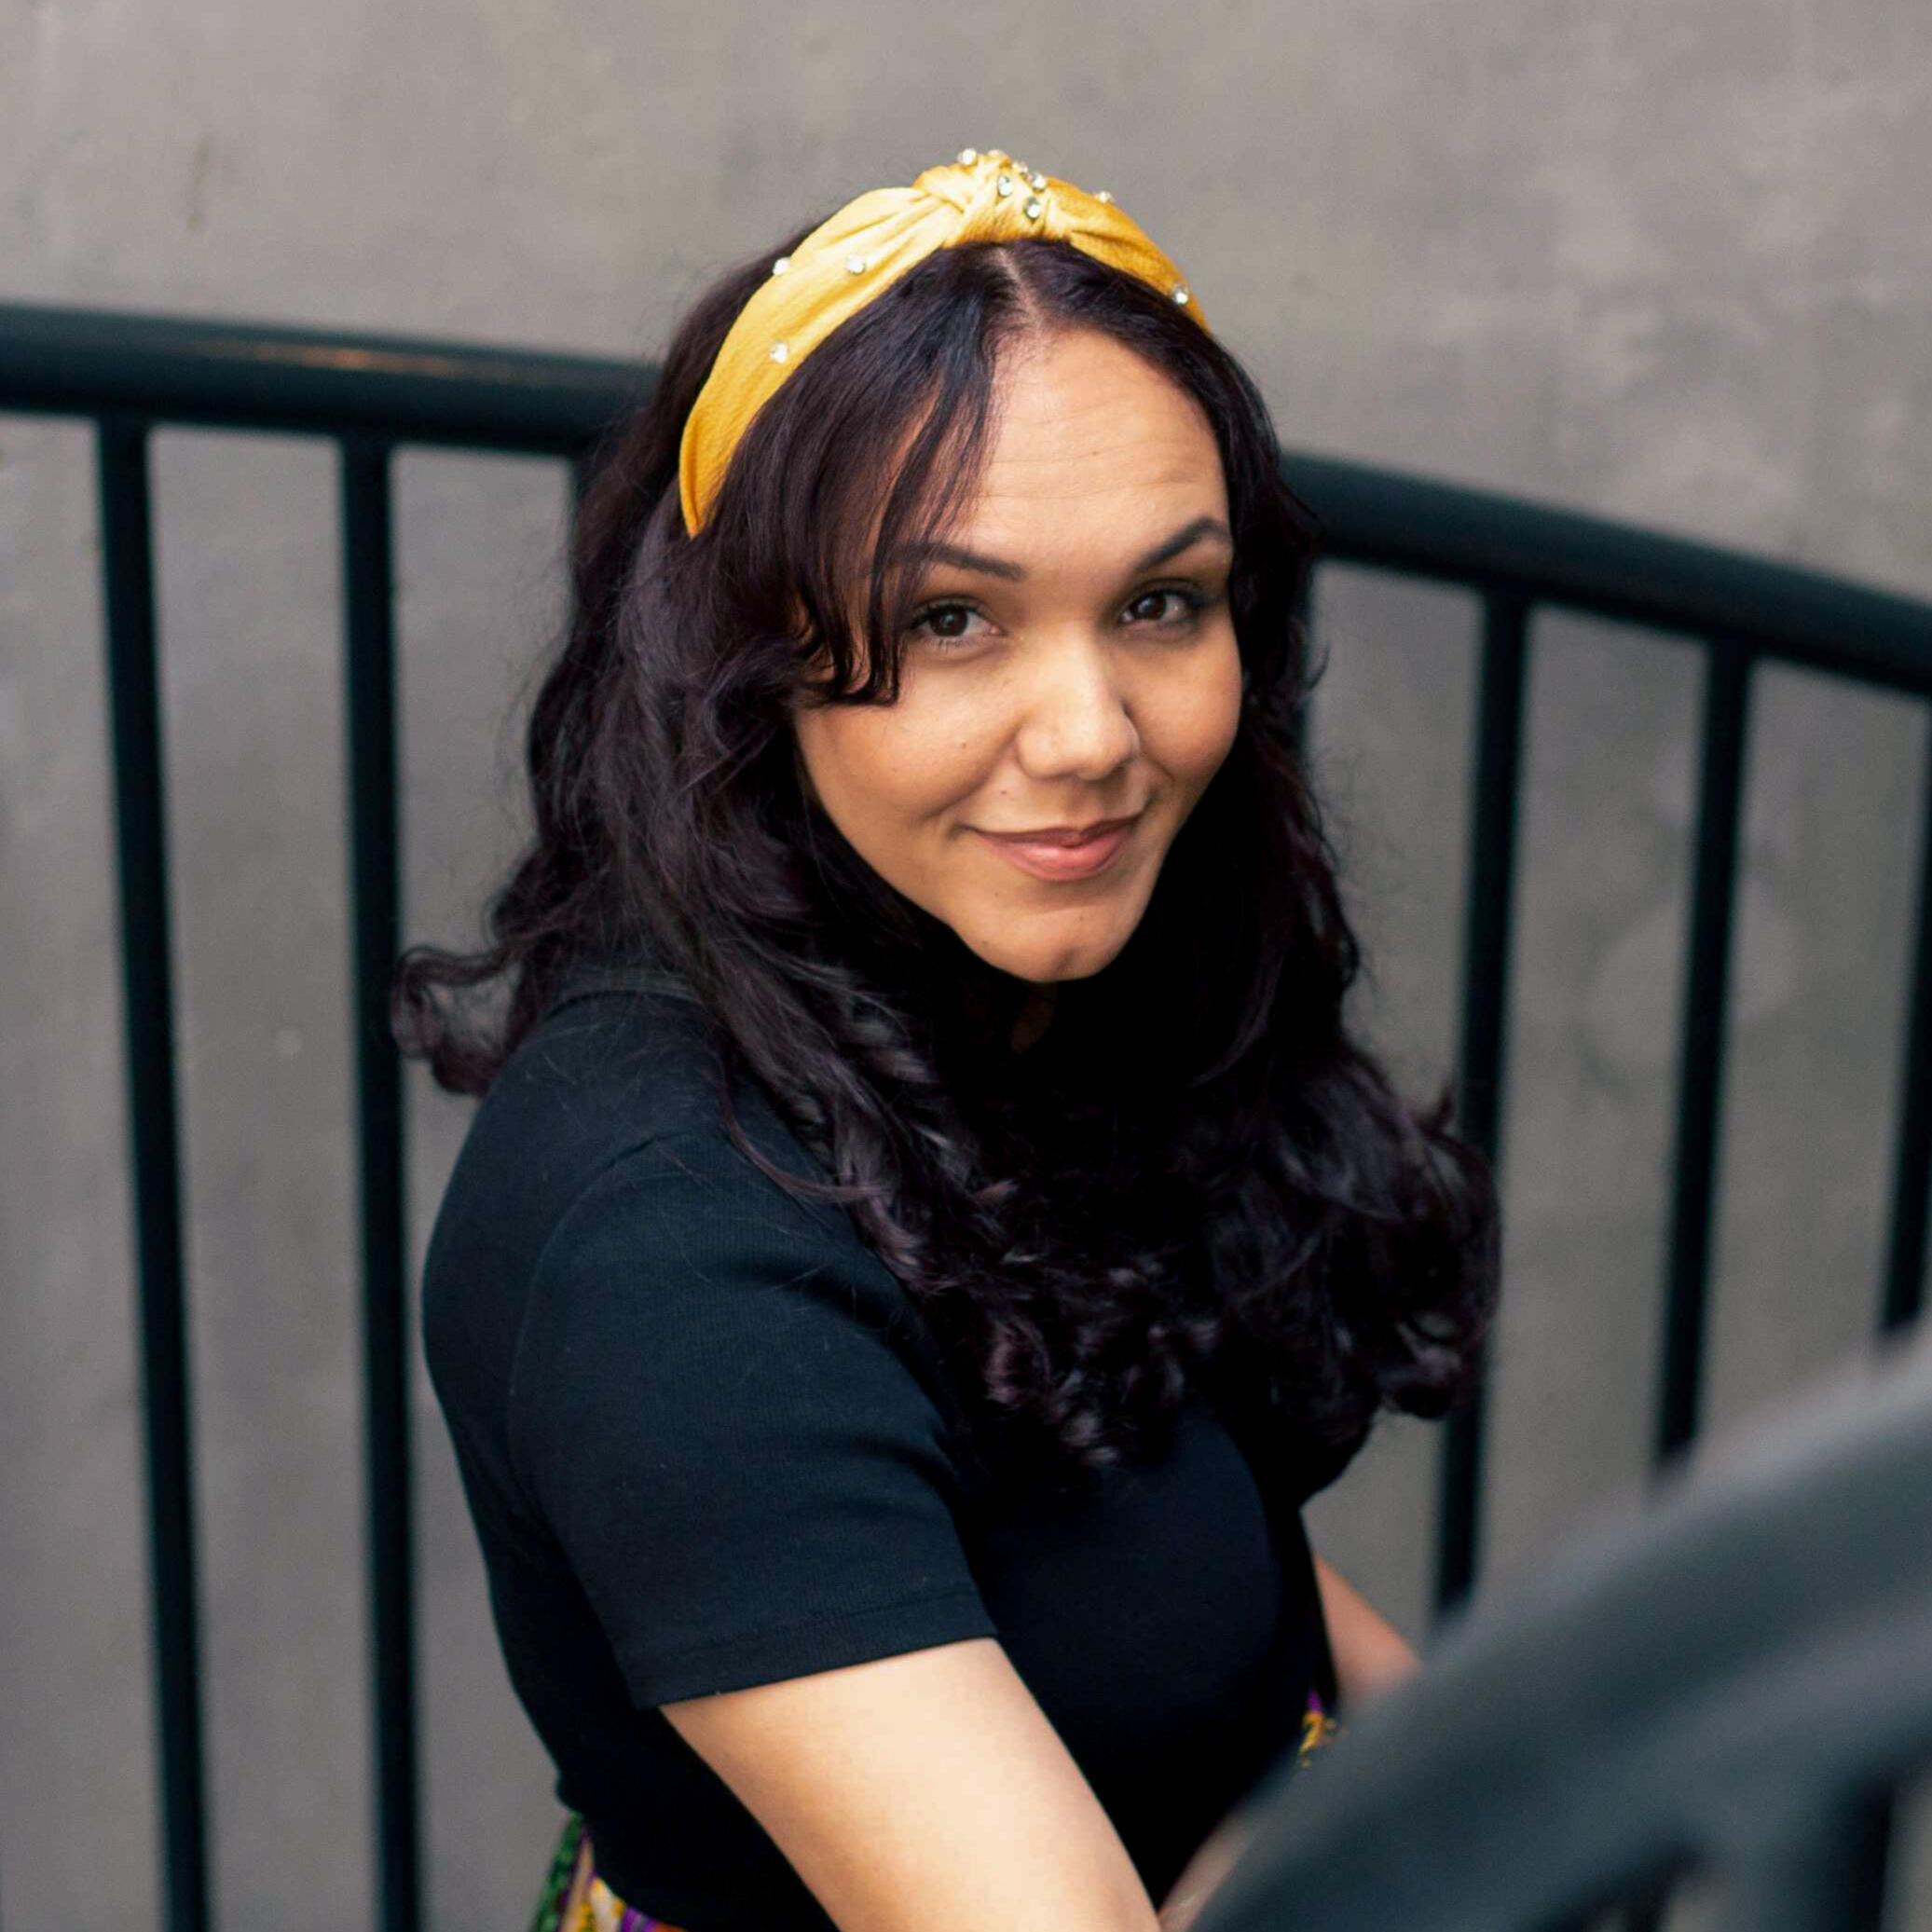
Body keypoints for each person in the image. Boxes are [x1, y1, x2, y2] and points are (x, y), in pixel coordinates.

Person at [399, 144, 1499, 1932]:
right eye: (950, 618)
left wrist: (1517, 1796)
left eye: (1160, 602)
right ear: (747, 652)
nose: (1090, 734)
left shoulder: (1018, 987)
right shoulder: (662, 1231)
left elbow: (1257, 1600)